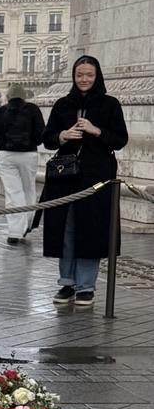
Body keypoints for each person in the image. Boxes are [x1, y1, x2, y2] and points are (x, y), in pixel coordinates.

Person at [41, 56, 129, 310]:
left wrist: (95, 130)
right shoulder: (63, 104)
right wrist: (63, 135)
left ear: (97, 76)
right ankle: (67, 282)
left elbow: (120, 139)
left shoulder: (109, 104)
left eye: (89, 75)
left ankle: (86, 286)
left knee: (91, 230)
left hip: (96, 178)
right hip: (65, 178)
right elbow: (47, 138)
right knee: (66, 230)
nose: (84, 79)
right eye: (79, 75)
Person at [0, 85, 46, 245]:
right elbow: (40, 135)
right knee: (29, 189)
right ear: (24, 96)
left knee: (13, 193)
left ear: (8, 97)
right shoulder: (33, 110)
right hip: (28, 154)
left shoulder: (1, 112)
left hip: (6, 155)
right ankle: (27, 223)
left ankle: (15, 231)